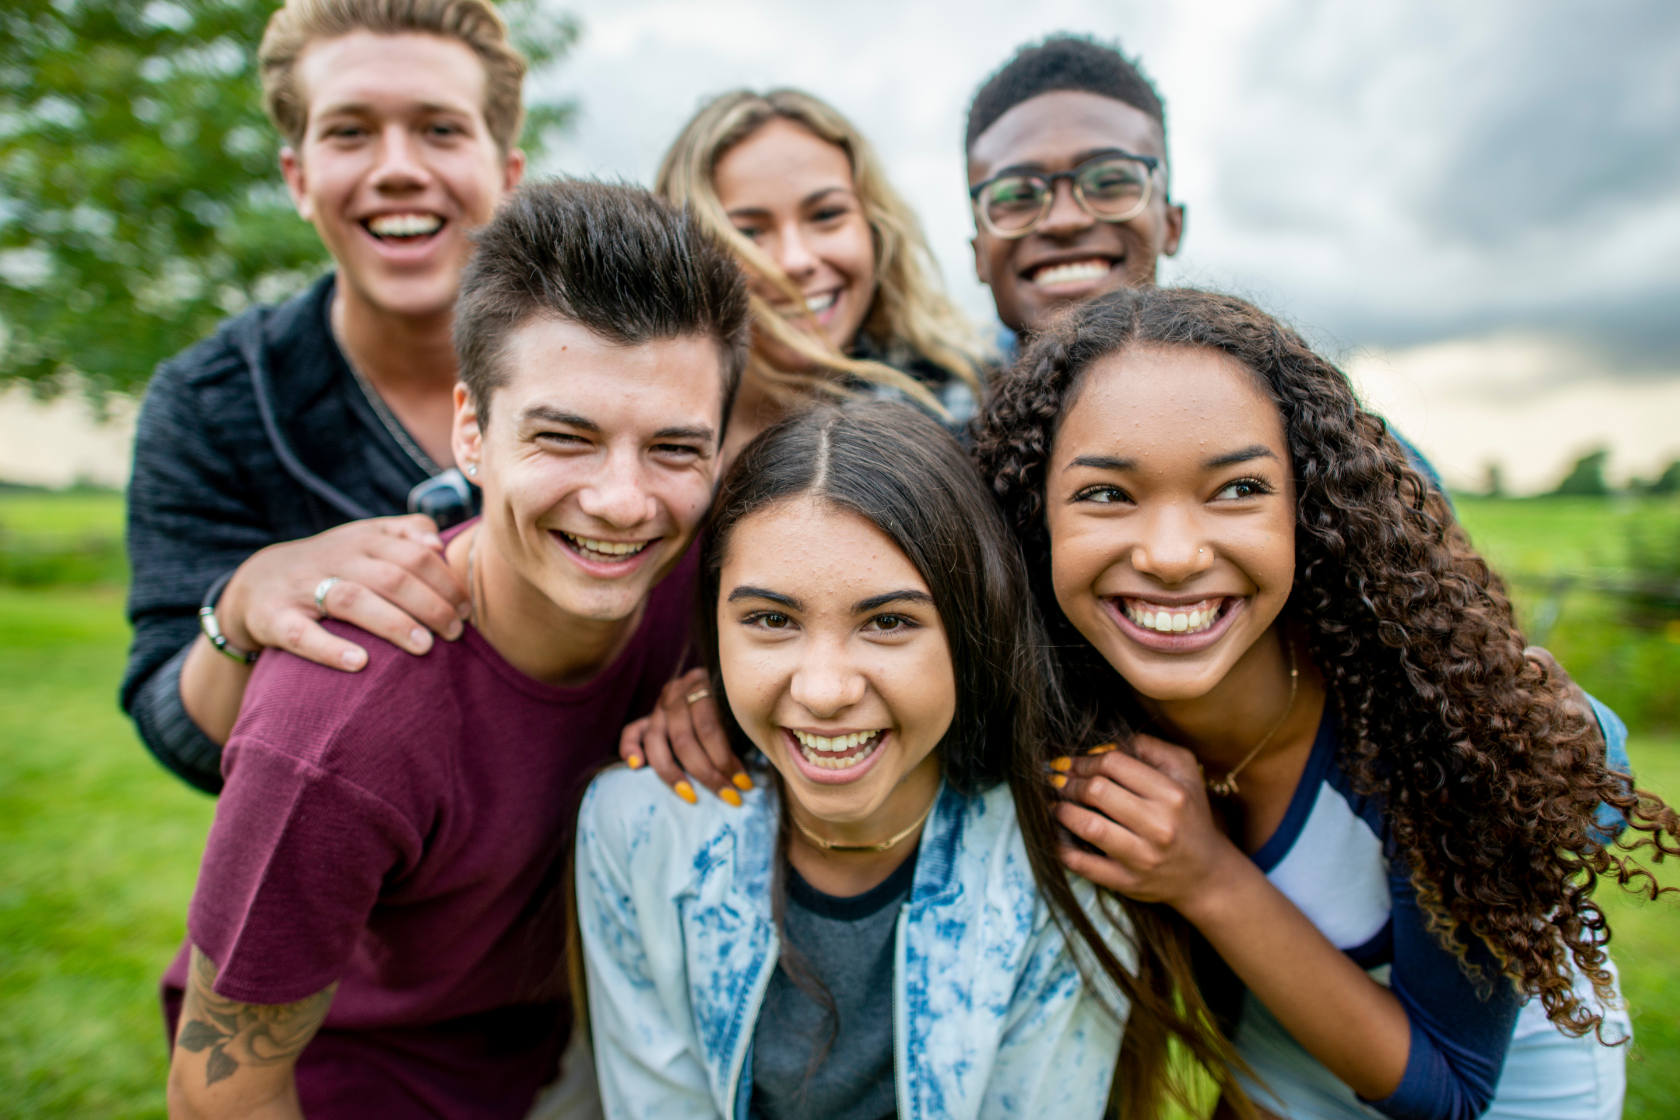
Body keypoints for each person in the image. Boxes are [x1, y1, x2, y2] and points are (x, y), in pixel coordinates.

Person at [971, 285, 1678, 1119]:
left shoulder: (1437, 731)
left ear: (1307, 509)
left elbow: (1447, 1092)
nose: (1168, 555)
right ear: (1035, 519)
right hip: (1279, 1059)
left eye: (1237, 489)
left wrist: (1205, 876)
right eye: (1106, 494)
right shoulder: (1067, 700)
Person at [163, 179, 750, 1119]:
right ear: (471, 432)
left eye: (675, 450)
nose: (623, 501)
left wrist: (743, 695)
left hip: (575, 1052)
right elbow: (216, 1088)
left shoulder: (716, 591)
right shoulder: (338, 720)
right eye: (567, 438)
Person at [577, 399, 1258, 1119]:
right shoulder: (641, 827)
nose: (825, 691)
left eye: (890, 622)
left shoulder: (1060, 864)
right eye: (771, 621)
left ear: (972, 631)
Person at [123, 0, 534, 794]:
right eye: (350, 131)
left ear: (507, 173)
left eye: (440, 130)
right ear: (299, 178)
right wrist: (243, 604)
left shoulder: (620, 365)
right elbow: (181, 737)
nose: (397, 167)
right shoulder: (208, 405)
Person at [656, 88, 989, 460]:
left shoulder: (960, 406)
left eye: (827, 215)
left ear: (876, 228)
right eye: (747, 232)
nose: (796, 261)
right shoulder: (642, 416)